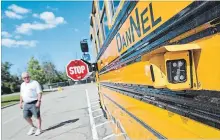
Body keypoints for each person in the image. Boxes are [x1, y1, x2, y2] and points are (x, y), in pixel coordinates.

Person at [19, 72, 42, 136]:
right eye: (24, 78)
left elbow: (39, 92)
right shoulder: (22, 85)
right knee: (25, 116)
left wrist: (39, 101)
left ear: (30, 76)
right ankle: (33, 127)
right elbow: (21, 94)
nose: (26, 78)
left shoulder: (34, 83)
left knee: (37, 116)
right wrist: (20, 102)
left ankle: (39, 129)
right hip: (26, 103)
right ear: (22, 78)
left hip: (34, 102)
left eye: (27, 77)